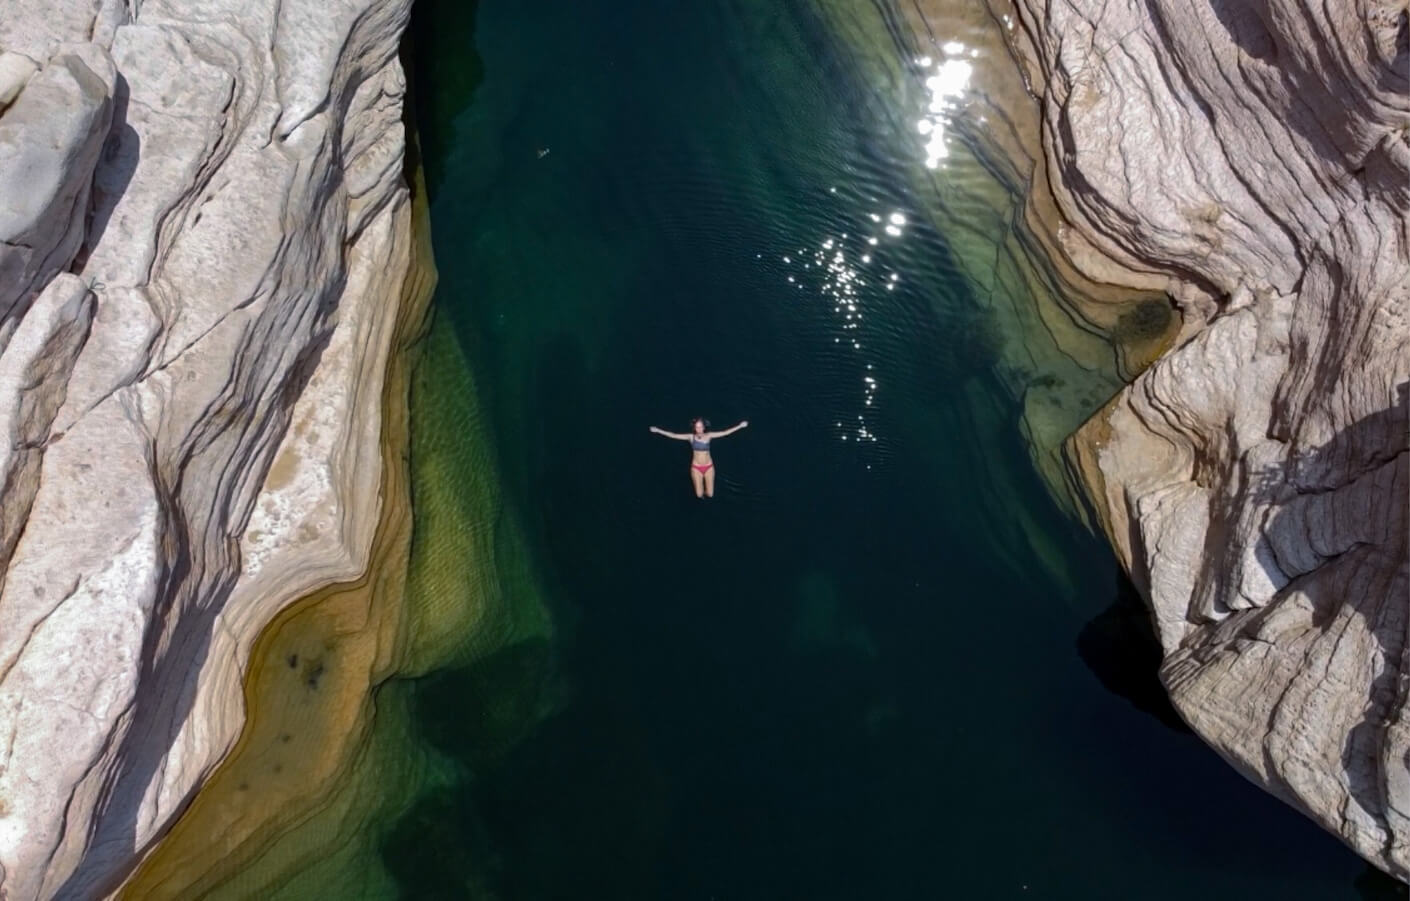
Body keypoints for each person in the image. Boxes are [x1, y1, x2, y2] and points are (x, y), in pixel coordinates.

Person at [648, 417, 748, 498]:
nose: (699, 429)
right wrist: (658, 430)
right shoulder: (691, 437)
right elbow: (673, 435)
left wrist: (740, 426)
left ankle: (705, 490)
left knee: (710, 494)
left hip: (709, 467)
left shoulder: (709, 435)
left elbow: (725, 432)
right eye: (697, 427)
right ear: (694, 428)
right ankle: (700, 490)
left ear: (704, 427)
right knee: (699, 495)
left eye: (700, 427)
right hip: (696, 468)